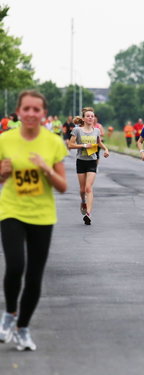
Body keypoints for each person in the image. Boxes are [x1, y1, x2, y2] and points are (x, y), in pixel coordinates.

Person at [0, 90, 68, 351]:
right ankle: (10, 314)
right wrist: (2, 173)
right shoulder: (5, 140)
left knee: (35, 275)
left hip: (42, 214)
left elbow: (62, 186)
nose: (30, 113)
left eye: (36, 109)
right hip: (12, 210)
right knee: (15, 265)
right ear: (18, 111)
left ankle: (22, 328)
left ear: (43, 114)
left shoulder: (53, 142)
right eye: (26, 108)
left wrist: (46, 169)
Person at [69, 107, 110, 225]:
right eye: (88, 116)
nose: (90, 118)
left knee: (88, 188)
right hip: (81, 161)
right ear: (83, 118)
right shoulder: (77, 130)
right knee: (82, 190)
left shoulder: (96, 130)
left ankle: (88, 214)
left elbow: (99, 142)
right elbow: (70, 145)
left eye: (92, 116)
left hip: (92, 161)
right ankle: (83, 202)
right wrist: (83, 146)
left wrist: (106, 149)